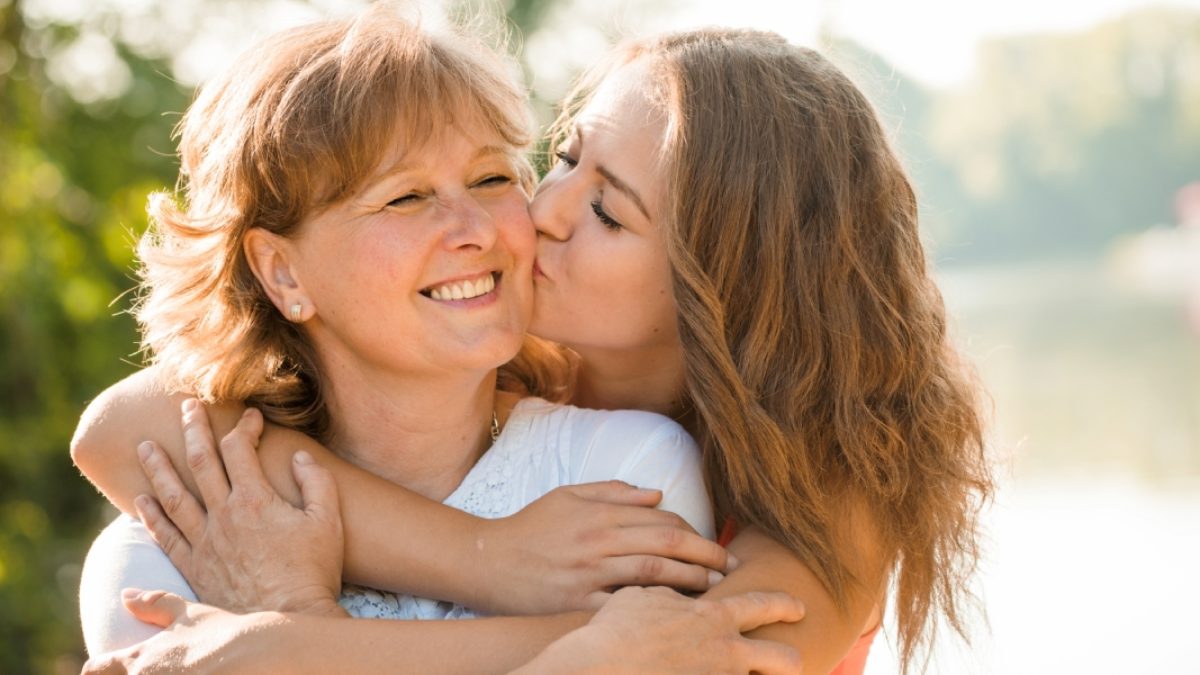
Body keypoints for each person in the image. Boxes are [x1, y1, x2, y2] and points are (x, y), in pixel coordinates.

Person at [74, 11, 993, 675]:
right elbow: (122, 426)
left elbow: (696, 660)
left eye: (604, 209)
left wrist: (293, 641)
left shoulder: (831, 483)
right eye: (560, 160)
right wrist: (489, 556)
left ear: (724, 288)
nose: (537, 213)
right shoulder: (498, 364)